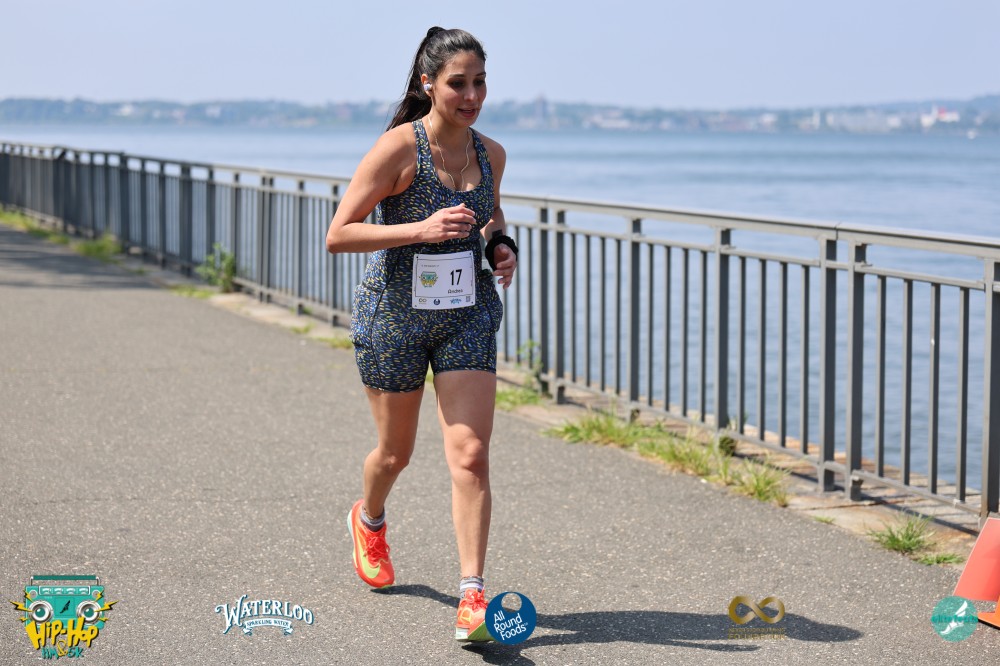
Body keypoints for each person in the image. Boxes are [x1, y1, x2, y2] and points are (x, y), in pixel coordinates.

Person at [325, 27, 517, 642]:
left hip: (466, 315)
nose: (472, 95)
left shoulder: (491, 153)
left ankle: (473, 596)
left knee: (472, 454)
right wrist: (419, 229)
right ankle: (369, 518)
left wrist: (500, 243)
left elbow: (490, 212)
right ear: (428, 84)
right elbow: (339, 233)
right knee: (395, 454)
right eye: (458, 83)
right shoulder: (397, 149)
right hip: (394, 319)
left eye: (480, 82)